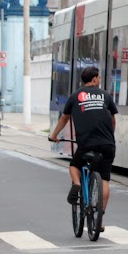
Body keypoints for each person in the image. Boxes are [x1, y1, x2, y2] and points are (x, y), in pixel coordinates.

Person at [48, 67, 118, 220]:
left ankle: (77, 183)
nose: (100, 80)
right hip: (107, 144)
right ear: (94, 79)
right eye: (99, 77)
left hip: (87, 144)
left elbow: (64, 118)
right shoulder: (106, 96)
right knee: (104, 179)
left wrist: (54, 135)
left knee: (74, 165)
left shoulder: (75, 96)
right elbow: (113, 120)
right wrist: (109, 136)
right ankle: (99, 218)